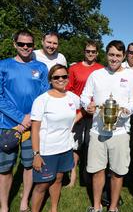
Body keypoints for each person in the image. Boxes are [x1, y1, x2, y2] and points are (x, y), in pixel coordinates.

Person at [81, 40, 133, 212]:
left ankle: (113, 207)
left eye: (118, 55)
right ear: (106, 54)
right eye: (111, 54)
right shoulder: (96, 75)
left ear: (123, 57)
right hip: (97, 130)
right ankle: (96, 206)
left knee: (117, 172)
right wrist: (87, 105)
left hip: (120, 132)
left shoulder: (131, 77)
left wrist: (127, 110)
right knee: (97, 170)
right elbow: (84, 96)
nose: (114, 59)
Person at [0, 30, 49, 212]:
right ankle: (4, 206)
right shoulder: (3, 66)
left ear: (34, 45)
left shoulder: (41, 68)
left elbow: (44, 96)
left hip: (33, 125)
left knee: (29, 165)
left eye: (29, 44)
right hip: (8, 125)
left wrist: (31, 119)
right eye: (21, 44)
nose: (25, 47)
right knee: (5, 169)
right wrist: (21, 119)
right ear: (15, 44)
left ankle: (23, 202)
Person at [30, 64, 81, 212]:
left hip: (65, 148)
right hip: (47, 150)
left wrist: (78, 117)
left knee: (58, 180)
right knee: (42, 185)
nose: (61, 79)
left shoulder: (72, 97)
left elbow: (85, 107)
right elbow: (35, 129)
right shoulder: (42, 100)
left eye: (64, 76)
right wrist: (36, 154)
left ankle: (54, 209)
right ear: (50, 80)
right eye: (56, 77)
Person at [66, 40, 104, 187]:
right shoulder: (74, 68)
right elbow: (69, 90)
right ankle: (72, 175)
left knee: (91, 144)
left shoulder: (101, 69)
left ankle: (88, 175)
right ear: (84, 52)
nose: (90, 54)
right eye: (88, 51)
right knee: (76, 145)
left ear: (97, 53)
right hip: (78, 112)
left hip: (95, 113)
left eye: (93, 52)